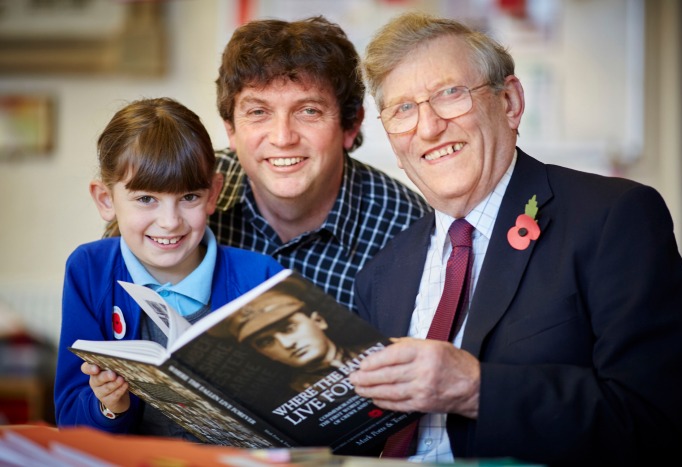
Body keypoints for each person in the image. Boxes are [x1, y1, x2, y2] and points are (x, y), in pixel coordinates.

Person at [348, 12, 682, 466]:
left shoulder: (614, 218)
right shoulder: (381, 273)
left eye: (450, 94)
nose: (429, 127)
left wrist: (476, 388)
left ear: (510, 102)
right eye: (403, 110)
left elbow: (660, 423)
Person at [54, 97, 283, 439]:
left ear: (212, 194)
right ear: (106, 200)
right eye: (146, 199)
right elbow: (71, 420)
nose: (170, 222)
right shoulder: (89, 269)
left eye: (188, 197)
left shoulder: (260, 276)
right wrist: (109, 406)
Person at [209, 16, 431, 312]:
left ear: (350, 126)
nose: (282, 137)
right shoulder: (189, 195)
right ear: (231, 130)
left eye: (309, 111)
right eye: (259, 112)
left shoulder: (409, 232)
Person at [214, 288, 361, 392]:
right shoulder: (289, 395)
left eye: (289, 329)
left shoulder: (379, 350)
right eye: (266, 342)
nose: (287, 344)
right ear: (263, 354)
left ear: (318, 321)